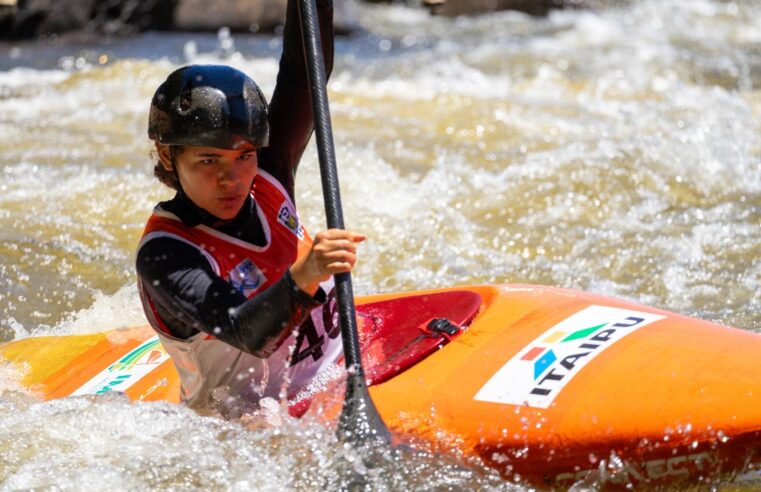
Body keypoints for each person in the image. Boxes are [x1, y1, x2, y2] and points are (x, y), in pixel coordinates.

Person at [135, 0, 362, 418]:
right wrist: (306, 274)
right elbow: (245, 331)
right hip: (251, 430)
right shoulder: (165, 254)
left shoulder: (269, 174)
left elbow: (304, 71)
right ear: (168, 158)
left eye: (243, 156)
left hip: (338, 377)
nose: (233, 178)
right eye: (209, 161)